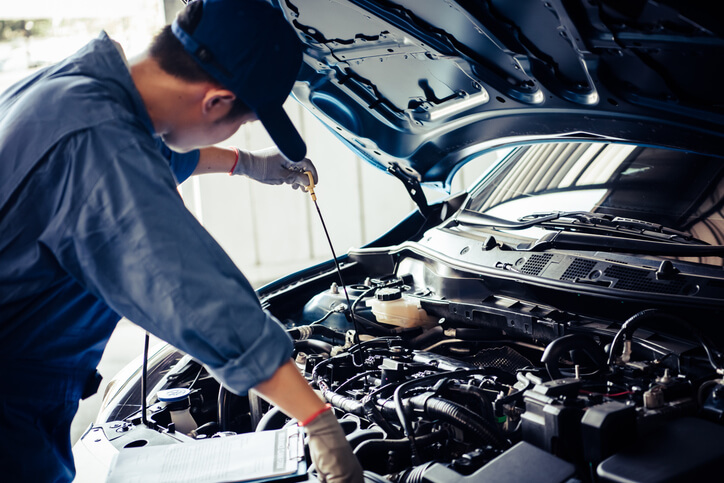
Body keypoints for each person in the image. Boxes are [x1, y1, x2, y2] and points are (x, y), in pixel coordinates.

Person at [0, 0, 364, 482]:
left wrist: (248, 164)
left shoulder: (78, 85)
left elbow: (147, 149)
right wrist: (318, 422)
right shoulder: (97, 147)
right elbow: (192, 293)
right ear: (215, 101)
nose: (237, 130)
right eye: (242, 120)